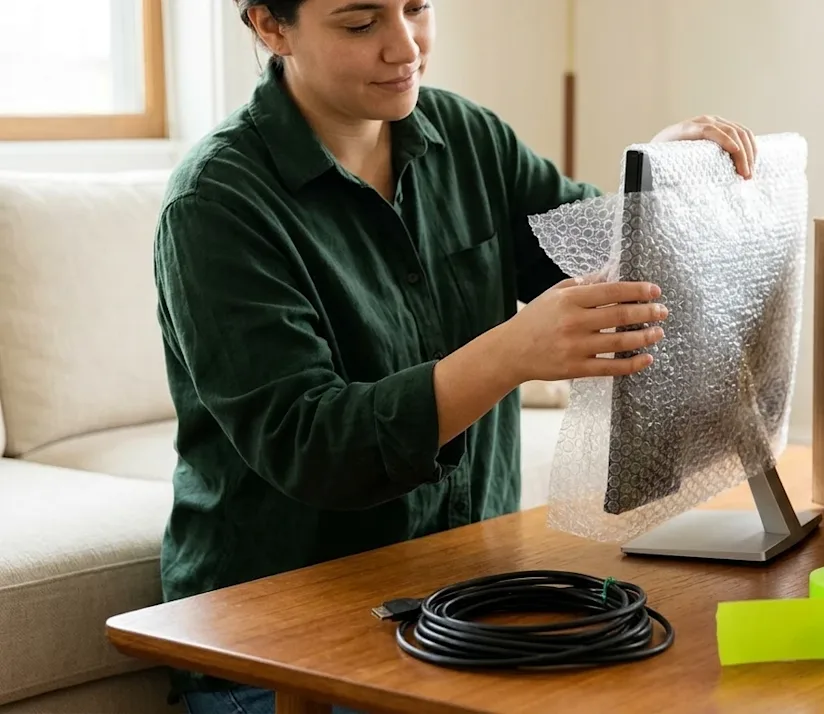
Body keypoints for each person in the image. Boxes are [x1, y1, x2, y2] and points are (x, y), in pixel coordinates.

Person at [158, 1, 757, 712]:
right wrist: (511, 352)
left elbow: (606, 263)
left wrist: (661, 173)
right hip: (269, 638)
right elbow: (312, 445)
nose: (405, 46)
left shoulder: (467, 138)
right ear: (270, 26)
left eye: (416, 7)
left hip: (465, 602)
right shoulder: (216, 203)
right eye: (360, 24)